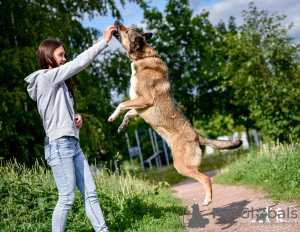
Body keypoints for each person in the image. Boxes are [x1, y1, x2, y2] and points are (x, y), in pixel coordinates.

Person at [24, 25, 116, 232]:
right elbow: (79, 63)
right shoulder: (46, 78)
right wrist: (104, 42)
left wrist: (75, 119)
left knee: (90, 193)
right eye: (61, 55)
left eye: (65, 55)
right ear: (48, 58)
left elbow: (56, 114)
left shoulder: (59, 83)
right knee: (67, 198)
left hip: (72, 144)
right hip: (58, 146)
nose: (65, 59)